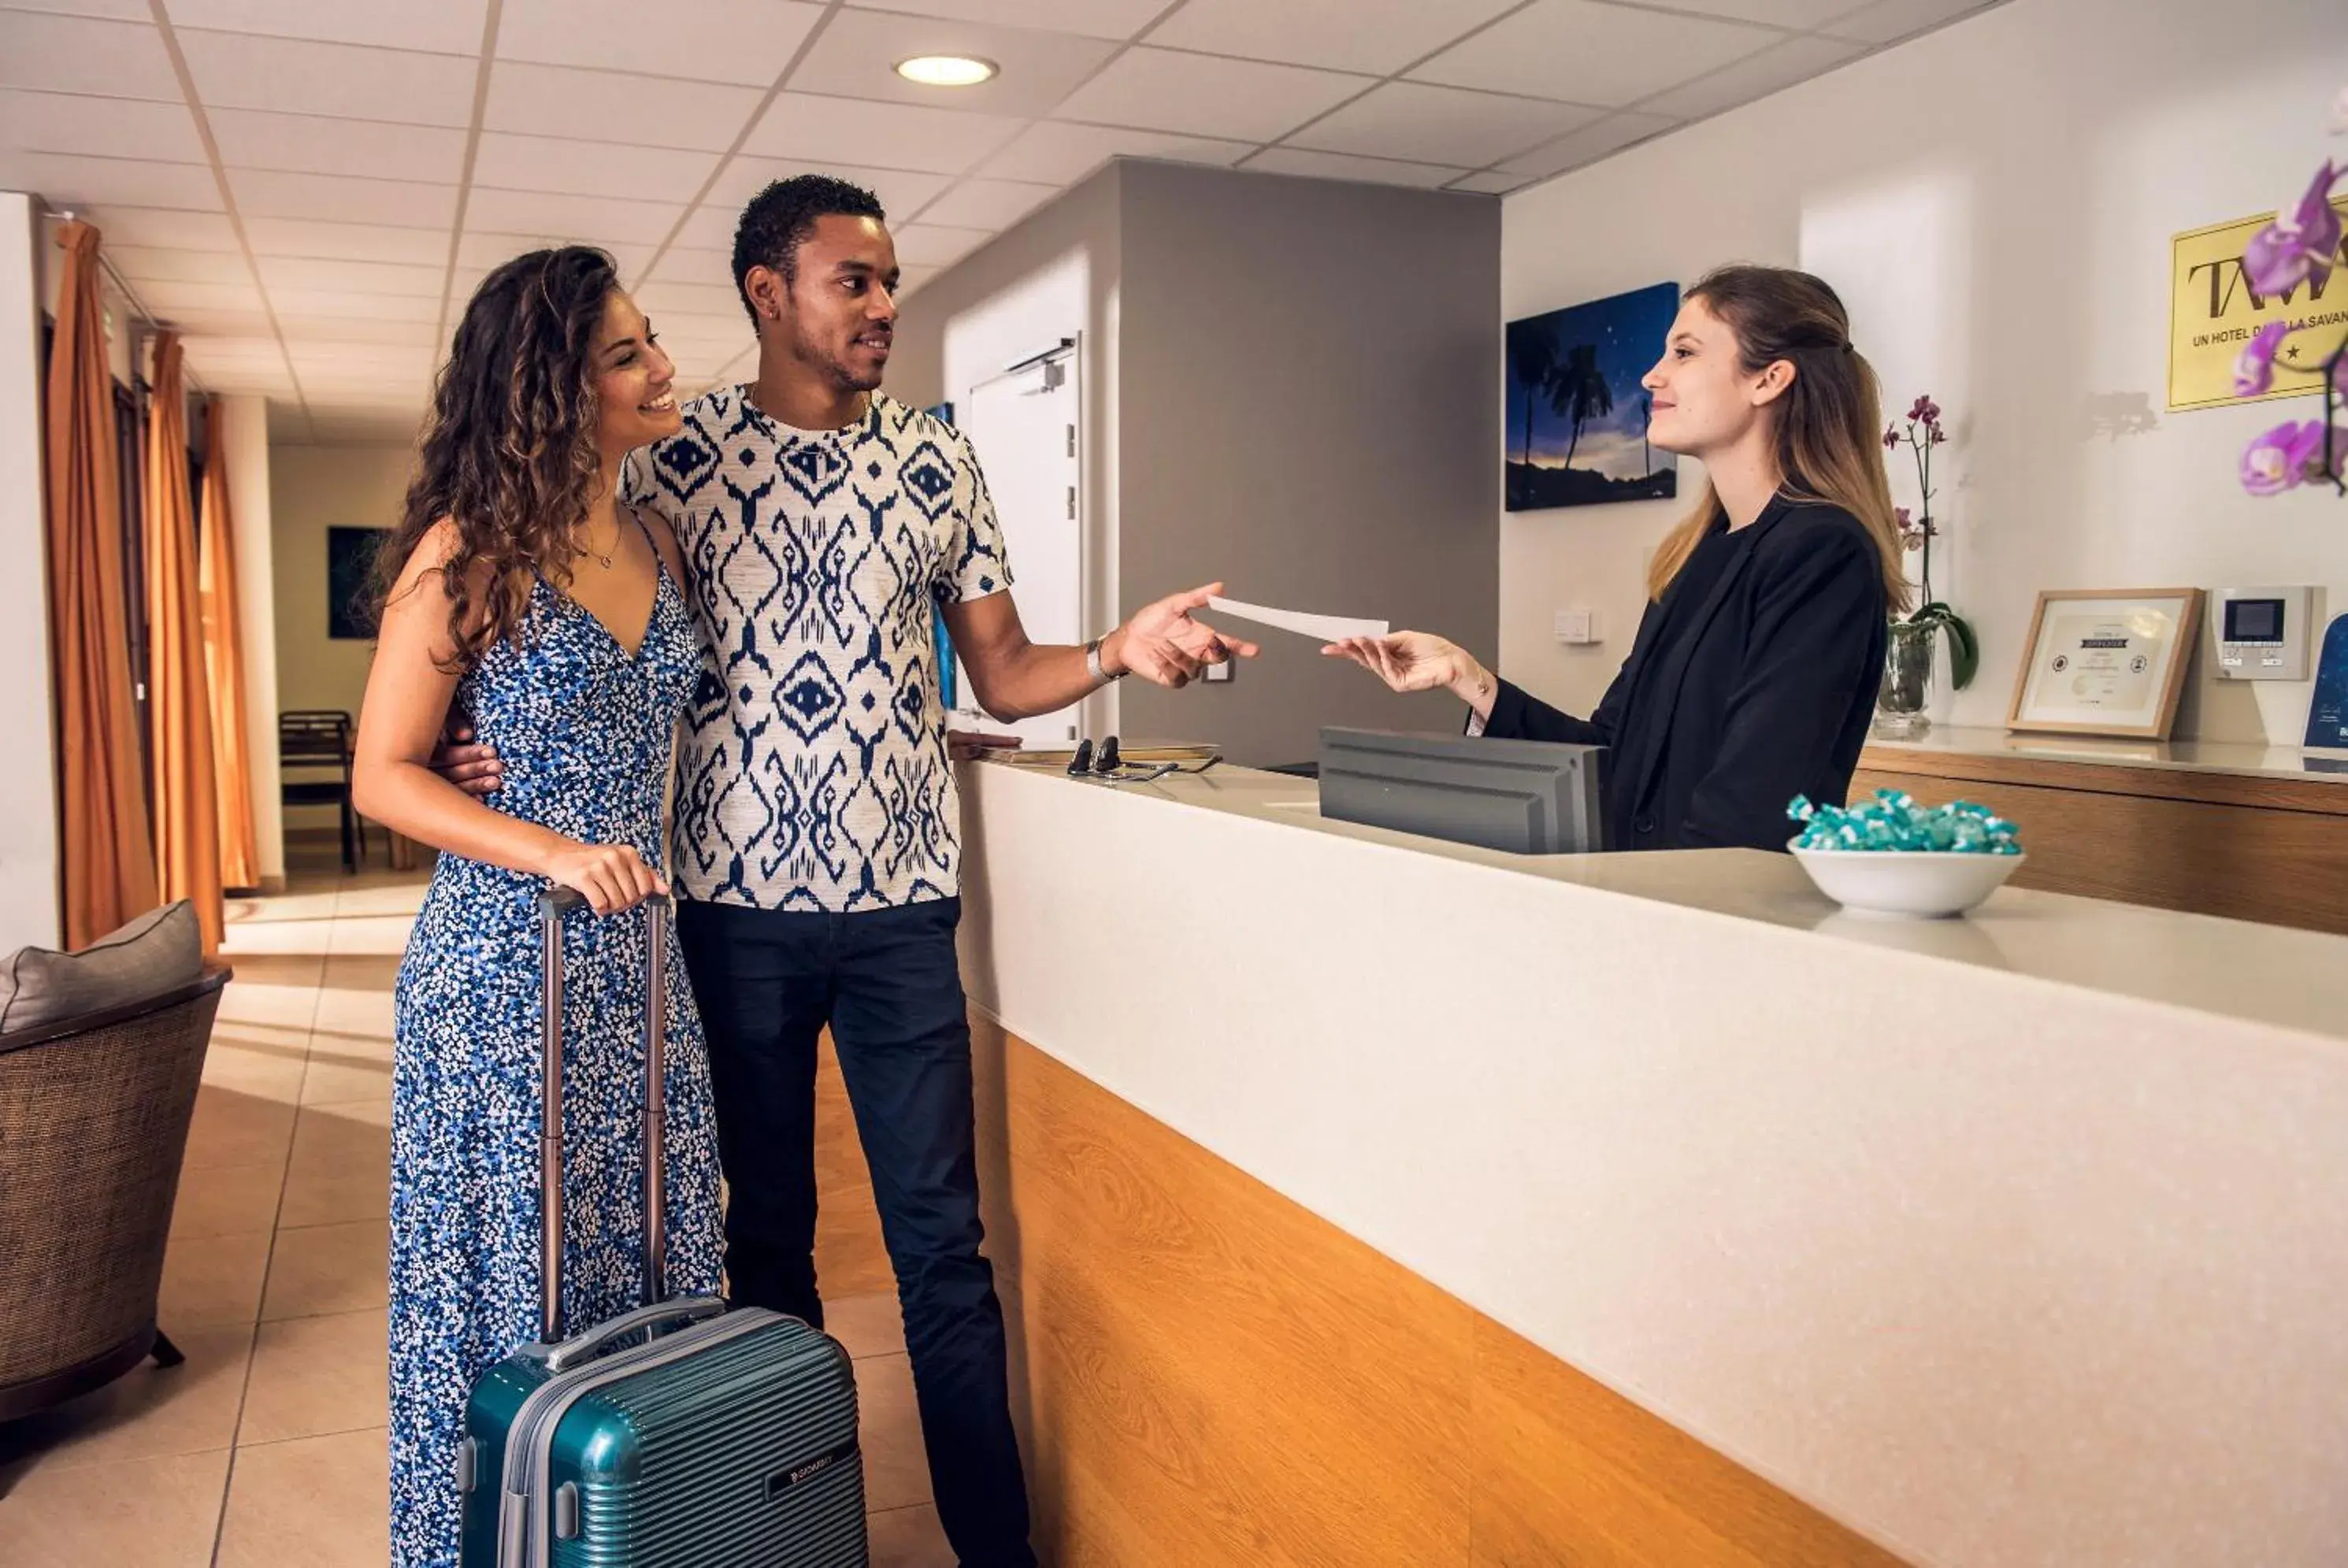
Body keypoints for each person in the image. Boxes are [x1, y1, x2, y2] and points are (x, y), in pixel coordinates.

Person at [434, 175, 1253, 1567]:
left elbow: (1004, 670)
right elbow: (555, 610)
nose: (884, 306)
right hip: (728, 917)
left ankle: (995, 1551)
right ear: (771, 293)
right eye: (853, 282)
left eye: (889, 281)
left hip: (898, 918)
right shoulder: (670, 468)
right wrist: (476, 734)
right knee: (766, 1254)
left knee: (944, 1253)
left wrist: (1117, 649)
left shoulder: (940, 461)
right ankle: (788, 1535)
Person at [351, 249, 718, 1568]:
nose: (660, 369)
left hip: (640, 967)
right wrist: (548, 848)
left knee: (646, 1261)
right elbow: (382, 773)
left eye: (650, 344)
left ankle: (626, 1536)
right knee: (509, 1274)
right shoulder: (467, 551)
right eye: (626, 355)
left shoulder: (664, 540)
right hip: (501, 973)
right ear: (554, 389)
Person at [1327, 264, 1907, 852]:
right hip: (1646, 899)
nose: (1653, 376)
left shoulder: (1822, 552)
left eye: (1683, 352)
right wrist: (1464, 674)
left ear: (1769, 379)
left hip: (1713, 913)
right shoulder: (1694, 555)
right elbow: (1612, 749)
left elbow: (1753, 803)